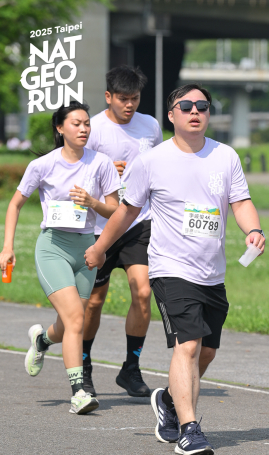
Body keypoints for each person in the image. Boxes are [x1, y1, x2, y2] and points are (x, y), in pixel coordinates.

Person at [84, 83, 265, 455]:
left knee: (206, 352)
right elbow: (127, 212)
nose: (195, 111)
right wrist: (100, 249)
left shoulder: (225, 156)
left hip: (212, 272)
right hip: (170, 268)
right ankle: (189, 430)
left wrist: (254, 230)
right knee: (189, 345)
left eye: (202, 105)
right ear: (171, 115)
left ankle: (168, 400)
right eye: (186, 106)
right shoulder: (152, 161)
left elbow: (241, 201)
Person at [0, 102, 120, 414]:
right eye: (76, 123)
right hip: (53, 247)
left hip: (87, 249)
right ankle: (79, 392)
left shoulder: (101, 163)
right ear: (60, 128)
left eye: (87, 123)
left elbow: (115, 210)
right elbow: (14, 205)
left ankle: (41, 341)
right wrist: (7, 247)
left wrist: (92, 202)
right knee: (76, 318)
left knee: (70, 323)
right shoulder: (43, 165)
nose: (83, 129)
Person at [83, 65, 163, 398]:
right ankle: (84, 367)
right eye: (122, 99)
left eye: (135, 98)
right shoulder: (93, 129)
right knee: (94, 302)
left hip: (138, 223)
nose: (129, 105)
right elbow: (73, 170)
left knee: (143, 294)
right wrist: (103, 171)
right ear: (108, 97)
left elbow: (159, 166)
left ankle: (131, 369)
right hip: (99, 227)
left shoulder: (151, 126)